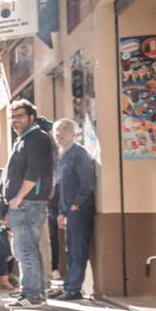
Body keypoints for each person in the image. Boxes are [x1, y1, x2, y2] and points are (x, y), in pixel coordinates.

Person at [1, 99, 54, 307]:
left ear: (31, 117)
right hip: (23, 203)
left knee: (25, 250)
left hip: (28, 202)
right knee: (29, 249)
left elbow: (34, 170)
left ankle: (32, 295)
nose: (15, 120)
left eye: (20, 116)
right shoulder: (24, 138)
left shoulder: (36, 138)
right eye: (13, 117)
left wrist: (18, 197)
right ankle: (34, 292)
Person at [53, 118, 95, 300]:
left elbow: (87, 182)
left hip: (79, 209)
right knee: (70, 249)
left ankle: (73, 289)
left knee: (77, 249)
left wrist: (76, 204)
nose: (60, 134)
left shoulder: (79, 153)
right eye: (57, 131)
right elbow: (62, 187)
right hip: (68, 210)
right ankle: (68, 285)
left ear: (73, 133)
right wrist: (62, 211)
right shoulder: (62, 155)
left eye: (64, 130)